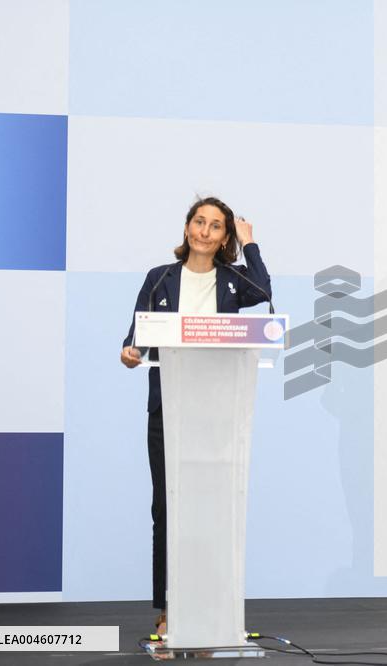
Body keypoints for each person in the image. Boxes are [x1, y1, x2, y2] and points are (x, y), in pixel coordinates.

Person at [120, 196, 272, 636]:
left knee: (213, 510)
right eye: (199, 222)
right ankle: (170, 609)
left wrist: (251, 244)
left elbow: (263, 292)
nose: (205, 232)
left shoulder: (232, 280)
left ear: (226, 238)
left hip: (218, 411)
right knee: (168, 508)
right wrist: (130, 352)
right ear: (187, 227)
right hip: (168, 410)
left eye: (217, 226)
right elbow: (138, 335)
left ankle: (211, 609)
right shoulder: (160, 278)